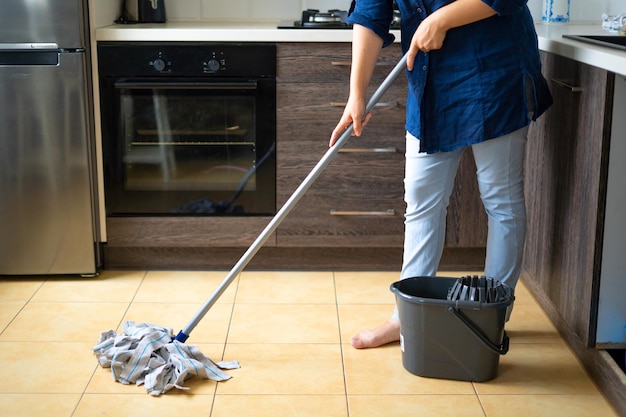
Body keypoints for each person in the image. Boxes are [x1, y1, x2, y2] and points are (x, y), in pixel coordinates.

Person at [330, 0, 553, 349]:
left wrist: (443, 17)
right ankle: (406, 317)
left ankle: (489, 319)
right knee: (420, 200)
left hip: (496, 69)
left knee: (501, 199)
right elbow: (371, 16)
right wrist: (356, 94)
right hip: (432, 80)